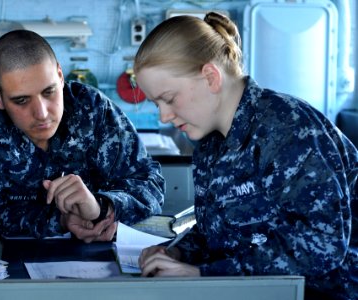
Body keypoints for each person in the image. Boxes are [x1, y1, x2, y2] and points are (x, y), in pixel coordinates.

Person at [134, 12, 357, 300]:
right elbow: (217, 232)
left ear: (211, 77)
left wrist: (205, 276)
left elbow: (323, 246)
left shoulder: (287, 129)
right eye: (156, 104)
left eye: (169, 98)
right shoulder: (211, 142)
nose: (164, 116)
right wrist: (176, 252)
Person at [0, 29, 165, 243]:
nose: (41, 113)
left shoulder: (93, 109)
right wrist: (59, 220)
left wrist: (101, 206)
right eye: (21, 100)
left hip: (101, 254)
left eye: (48, 92)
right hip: (9, 261)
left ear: (60, 76)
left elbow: (150, 184)